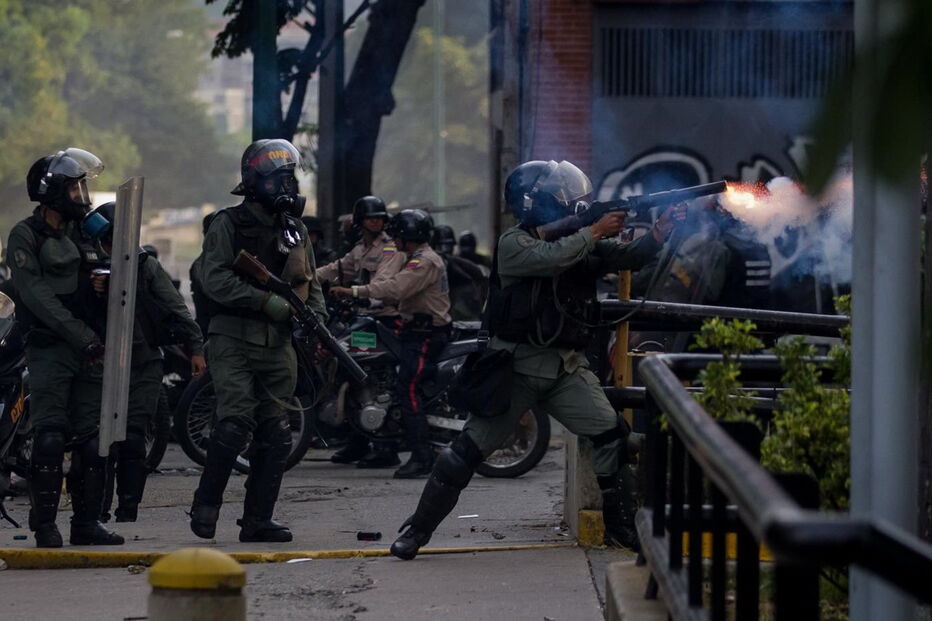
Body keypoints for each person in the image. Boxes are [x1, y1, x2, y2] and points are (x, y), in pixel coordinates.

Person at [389, 160, 685, 560]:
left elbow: (624, 257)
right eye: (565, 199)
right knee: (465, 455)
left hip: (566, 366)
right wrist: (593, 229)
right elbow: (551, 257)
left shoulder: (580, 239)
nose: (576, 204)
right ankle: (417, 530)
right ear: (537, 203)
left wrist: (659, 233)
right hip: (517, 368)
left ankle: (620, 527)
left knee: (610, 435)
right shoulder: (514, 243)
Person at [189, 139, 327, 543]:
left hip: (278, 344)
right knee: (234, 423)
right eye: (278, 178)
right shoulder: (228, 224)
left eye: (291, 177)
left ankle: (257, 520)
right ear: (255, 182)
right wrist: (266, 302)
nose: (287, 185)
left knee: (277, 432)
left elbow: (309, 282)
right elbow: (212, 278)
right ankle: (206, 505)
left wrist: (316, 318)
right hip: (233, 337)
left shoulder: (295, 229)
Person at [7, 148, 124, 547]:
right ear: (53, 191)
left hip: (90, 348)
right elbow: (37, 297)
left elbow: (114, 269)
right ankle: (44, 526)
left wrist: (104, 284)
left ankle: (86, 523)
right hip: (51, 348)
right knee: (51, 436)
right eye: (74, 186)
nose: (81, 194)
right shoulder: (26, 235)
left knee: (93, 438)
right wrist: (81, 335)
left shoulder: (85, 232)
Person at [84, 202, 206, 522]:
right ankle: (95, 512)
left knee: (133, 438)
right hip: (98, 365)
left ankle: (127, 510)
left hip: (142, 362)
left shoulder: (144, 265)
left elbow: (175, 307)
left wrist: (195, 346)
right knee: (97, 442)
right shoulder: (84, 266)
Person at [331, 209, 452, 478]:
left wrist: (354, 291)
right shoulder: (415, 257)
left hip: (425, 334)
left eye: (397, 234)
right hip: (414, 331)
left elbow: (395, 288)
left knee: (407, 386)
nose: (393, 240)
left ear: (408, 235)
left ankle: (422, 457)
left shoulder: (423, 262)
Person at [317, 195, 407, 468]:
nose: (376, 221)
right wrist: (307, 276)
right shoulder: (361, 249)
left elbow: (382, 282)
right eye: (371, 218)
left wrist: (356, 293)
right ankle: (357, 439)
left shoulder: (389, 249)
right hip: (366, 320)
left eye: (379, 217)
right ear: (360, 222)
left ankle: (386, 445)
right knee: (347, 369)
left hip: (386, 322)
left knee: (377, 378)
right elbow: (337, 268)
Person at [431, 225, 487, 321]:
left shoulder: (457, 264)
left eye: (448, 246)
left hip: (460, 306)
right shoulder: (443, 261)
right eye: (441, 246)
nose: (445, 249)